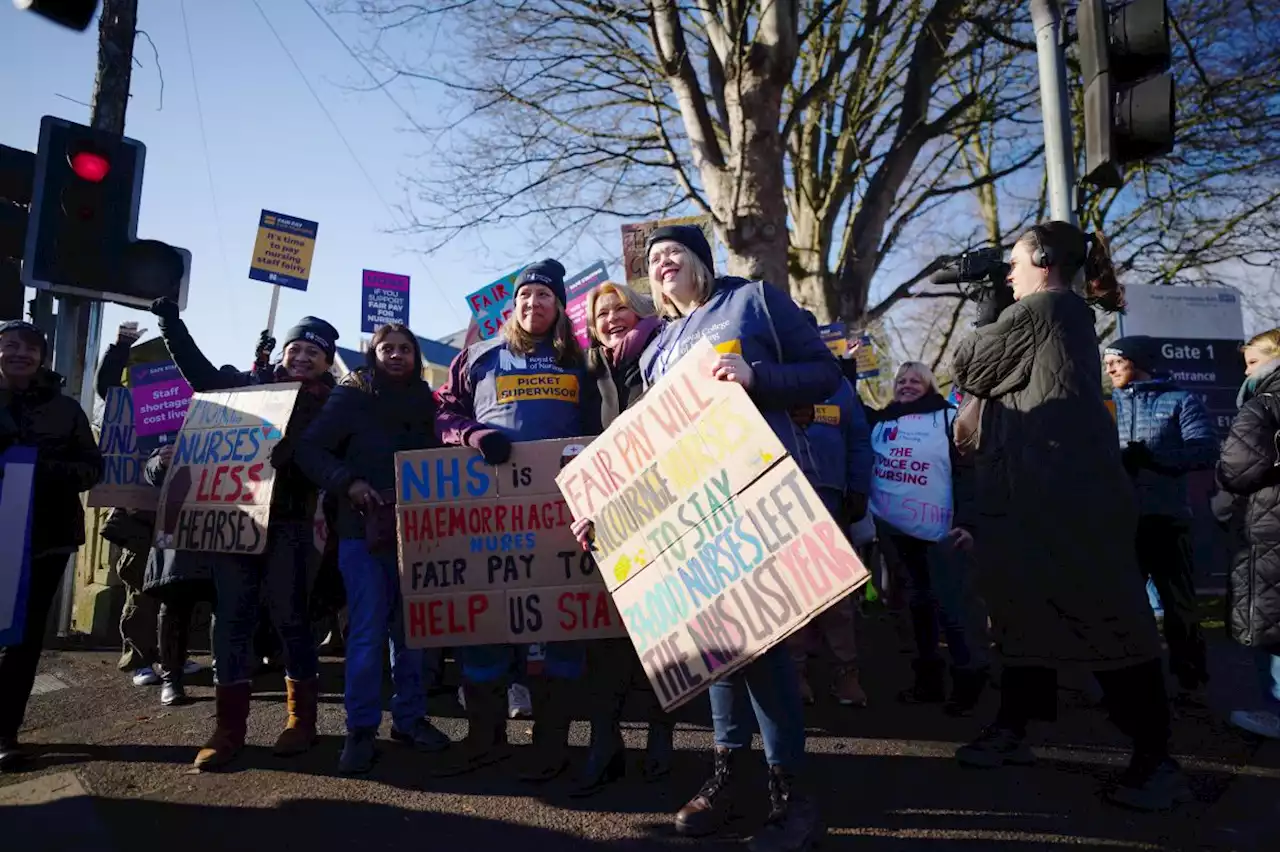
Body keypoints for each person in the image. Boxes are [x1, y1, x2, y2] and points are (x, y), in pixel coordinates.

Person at [948, 221, 1188, 811]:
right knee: (1024, 620)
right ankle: (1014, 726)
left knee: (1109, 627)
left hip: (1064, 506)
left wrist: (985, 307)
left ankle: (1157, 760)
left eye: (1012, 263)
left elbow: (971, 367)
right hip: (1043, 502)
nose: (1006, 272)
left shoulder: (1048, 307)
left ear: (1044, 259)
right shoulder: (1055, 313)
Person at [636, 225, 840, 852]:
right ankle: (731, 774)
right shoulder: (655, 349)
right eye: (654, 259)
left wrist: (756, 377)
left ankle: (791, 793)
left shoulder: (753, 301)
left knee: (764, 639)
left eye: (674, 252)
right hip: (692, 511)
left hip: (756, 492)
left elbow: (824, 375)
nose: (664, 262)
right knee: (716, 643)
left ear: (700, 259)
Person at [148, 297, 339, 769]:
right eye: (297, 348)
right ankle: (228, 729)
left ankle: (302, 722)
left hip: (290, 525)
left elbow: (331, 460)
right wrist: (171, 324)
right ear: (284, 352)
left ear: (325, 363)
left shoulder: (333, 406)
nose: (302, 357)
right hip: (237, 522)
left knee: (290, 619)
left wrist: (293, 453)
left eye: (313, 353)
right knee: (230, 621)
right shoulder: (250, 387)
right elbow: (202, 377)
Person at [433, 259, 601, 780]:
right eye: (527, 296)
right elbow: (442, 414)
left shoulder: (582, 361)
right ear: (513, 306)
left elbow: (606, 423)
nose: (535, 304)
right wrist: (473, 436)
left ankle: (551, 742)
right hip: (490, 514)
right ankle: (485, 738)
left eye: (545, 297)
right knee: (486, 621)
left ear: (559, 306)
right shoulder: (477, 357)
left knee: (562, 626)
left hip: (562, 513)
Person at [297, 323, 450, 774]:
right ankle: (360, 730)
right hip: (361, 532)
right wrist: (351, 483)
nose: (397, 355)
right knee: (365, 633)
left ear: (416, 356)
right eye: (388, 348)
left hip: (420, 531)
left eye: (405, 349)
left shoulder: (427, 400)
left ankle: (410, 719)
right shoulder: (351, 396)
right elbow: (310, 450)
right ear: (373, 352)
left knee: (413, 633)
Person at [568, 280, 672, 797]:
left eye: (621, 309)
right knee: (605, 638)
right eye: (601, 312)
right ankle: (604, 743)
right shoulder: (591, 371)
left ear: (642, 312)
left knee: (662, 631)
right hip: (610, 519)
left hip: (669, 511)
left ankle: (661, 734)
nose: (611, 318)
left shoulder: (667, 352)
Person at [0, 321, 103, 771]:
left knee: (22, 640)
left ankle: (5, 732)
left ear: (42, 357)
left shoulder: (66, 409)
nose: (19, 354)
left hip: (45, 537)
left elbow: (91, 467)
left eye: (29, 348)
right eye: (9, 345)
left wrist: (37, 469)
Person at [869, 361, 988, 715]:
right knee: (915, 610)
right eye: (901, 380)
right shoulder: (882, 420)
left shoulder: (948, 418)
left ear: (930, 385)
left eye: (915, 380)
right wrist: (844, 362)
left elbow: (969, 472)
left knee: (952, 607)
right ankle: (927, 683)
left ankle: (968, 682)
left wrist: (969, 523)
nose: (906, 385)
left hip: (943, 532)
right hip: (896, 534)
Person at [1104, 335, 1217, 699]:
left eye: (1116, 361)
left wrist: (1155, 461)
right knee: (1119, 604)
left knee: (1178, 605)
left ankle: (1190, 681)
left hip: (1167, 518)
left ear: (1137, 362)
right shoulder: (1102, 406)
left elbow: (1204, 451)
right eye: (1107, 363)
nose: (1108, 369)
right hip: (1119, 520)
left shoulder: (1181, 400)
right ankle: (1124, 681)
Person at [786, 309, 873, 708]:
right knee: (793, 593)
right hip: (783, 503)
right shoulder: (773, 380)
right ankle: (797, 673)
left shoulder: (838, 384)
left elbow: (858, 440)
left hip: (832, 499)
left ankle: (847, 674)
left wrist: (858, 489)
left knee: (837, 594)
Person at [1216, 328, 1280, 739]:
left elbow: (1236, 470)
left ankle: (1275, 711)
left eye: (1253, 362)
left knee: (1272, 624)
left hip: (1268, 527)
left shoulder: (1264, 405)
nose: (1246, 372)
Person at [94, 320, 162, 684]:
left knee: (171, 592)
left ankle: (168, 657)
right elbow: (107, 386)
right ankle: (137, 659)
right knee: (140, 589)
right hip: (137, 516)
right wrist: (121, 346)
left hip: (173, 517)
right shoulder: (133, 409)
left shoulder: (190, 411)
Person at [140, 441, 220, 708]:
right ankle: (171, 679)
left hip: (227, 523)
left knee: (226, 605)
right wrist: (161, 461)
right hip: (183, 527)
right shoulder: (180, 413)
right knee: (175, 602)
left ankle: (225, 677)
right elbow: (151, 470)